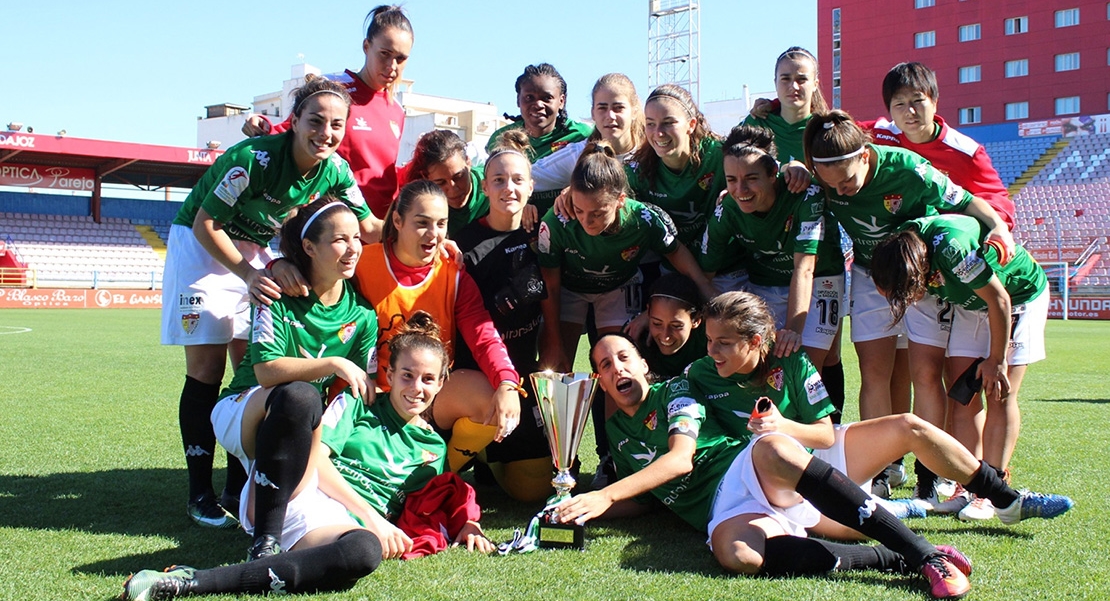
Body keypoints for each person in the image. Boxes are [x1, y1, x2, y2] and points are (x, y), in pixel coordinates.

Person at [556, 330, 974, 600]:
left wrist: (604, 492)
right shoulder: (614, 430)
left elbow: (680, 460)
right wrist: (580, 507)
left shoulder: (676, 391)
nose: (618, 369)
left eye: (625, 357)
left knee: (774, 447)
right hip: (727, 509)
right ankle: (893, 558)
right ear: (600, 380)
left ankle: (923, 555)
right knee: (739, 556)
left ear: (644, 364)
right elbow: (648, 500)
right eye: (605, 366)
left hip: (746, 469)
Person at [122, 307, 494, 600]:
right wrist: (372, 517)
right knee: (301, 399)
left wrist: (467, 525)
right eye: (407, 375)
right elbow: (315, 460)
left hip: (335, 528)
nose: (417, 388)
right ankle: (196, 582)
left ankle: (187, 580)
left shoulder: (433, 447)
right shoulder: (359, 403)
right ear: (389, 372)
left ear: (442, 382)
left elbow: (440, 499)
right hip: (296, 493)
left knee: (364, 552)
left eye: (428, 379)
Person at [161, 77, 376, 528]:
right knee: (205, 369)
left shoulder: (335, 169)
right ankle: (199, 491)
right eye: (315, 121)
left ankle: (236, 486)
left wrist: (423, 227)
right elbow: (207, 224)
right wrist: (252, 274)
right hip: (202, 248)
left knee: (252, 366)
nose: (326, 133)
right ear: (293, 121)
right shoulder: (253, 158)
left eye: (337, 125)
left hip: (256, 250)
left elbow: (369, 225)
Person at [802, 110, 1015, 504]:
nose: (843, 193)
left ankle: (929, 472)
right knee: (874, 372)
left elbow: (969, 202)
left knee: (924, 373)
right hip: (868, 274)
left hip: (921, 276)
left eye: (848, 182)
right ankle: (882, 468)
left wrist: (999, 227)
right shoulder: (824, 178)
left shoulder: (911, 169)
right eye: (834, 187)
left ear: (865, 155)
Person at [864, 62, 1018, 511]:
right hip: (914, 275)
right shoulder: (879, 135)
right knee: (924, 374)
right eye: (899, 105)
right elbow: (829, 131)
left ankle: (978, 478)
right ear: (888, 111)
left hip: (958, 269)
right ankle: (929, 476)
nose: (910, 112)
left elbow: (998, 203)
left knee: (965, 383)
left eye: (919, 101)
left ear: (935, 101)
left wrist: (997, 231)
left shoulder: (965, 151)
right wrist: (772, 109)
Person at [871, 214, 1055, 520]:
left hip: (1016, 298)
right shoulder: (901, 250)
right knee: (963, 397)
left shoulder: (954, 251)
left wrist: (996, 360)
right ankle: (970, 486)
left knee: (1000, 393)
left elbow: (1000, 300)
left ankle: (994, 488)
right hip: (973, 304)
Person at [353, 179, 522, 473]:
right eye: (422, 223)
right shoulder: (361, 264)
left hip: (427, 398)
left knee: (489, 397)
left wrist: (507, 382)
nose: (434, 234)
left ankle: (438, 474)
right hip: (371, 397)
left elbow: (483, 334)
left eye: (441, 224)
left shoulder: (452, 272)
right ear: (397, 220)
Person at [537, 142, 717, 372]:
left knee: (618, 365)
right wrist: (553, 340)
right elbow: (550, 285)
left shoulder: (643, 218)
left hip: (617, 288)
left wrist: (704, 287)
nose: (585, 221)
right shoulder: (557, 221)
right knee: (554, 367)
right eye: (579, 210)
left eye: (598, 213)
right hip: (569, 289)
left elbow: (675, 251)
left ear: (620, 200)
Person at [742, 46, 850, 430]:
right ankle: (787, 441)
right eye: (785, 78)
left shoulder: (827, 129)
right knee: (782, 357)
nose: (793, 86)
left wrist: (811, 173)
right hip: (770, 264)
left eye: (802, 78)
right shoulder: (760, 127)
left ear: (816, 82)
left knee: (826, 356)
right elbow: (735, 164)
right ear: (774, 84)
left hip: (824, 259)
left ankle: (831, 437)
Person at [701, 125, 845, 400]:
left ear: (773, 174)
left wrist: (792, 330)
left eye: (751, 178)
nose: (740, 189)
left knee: (806, 368)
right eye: (731, 179)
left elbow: (804, 269)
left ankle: (827, 433)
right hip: (765, 283)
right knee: (766, 368)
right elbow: (705, 273)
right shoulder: (728, 209)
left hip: (820, 281)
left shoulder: (805, 195)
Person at [453, 131, 554, 502]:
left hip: (524, 374)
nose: (507, 188)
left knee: (535, 490)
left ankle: (492, 460)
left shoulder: (542, 234)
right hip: (475, 376)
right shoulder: (461, 244)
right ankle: (476, 447)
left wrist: (551, 362)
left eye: (516, 180)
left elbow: (551, 302)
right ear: (484, 187)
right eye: (498, 180)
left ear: (531, 186)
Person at [243, 5, 413, 219]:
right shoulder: (333, 90)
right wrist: (260, 125)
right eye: (385, 54)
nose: (392, 66)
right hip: (330, 231)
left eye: (401, 58)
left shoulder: (397, 110)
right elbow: (289, 133)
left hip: (377, 232)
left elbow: (382, 175)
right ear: (366, 46)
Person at [485, 63, 594, 216]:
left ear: (561, 101)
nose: (537, 105)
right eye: (529, 97)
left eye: (547, 98)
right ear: (518, 100)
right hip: (516, 222)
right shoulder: (501, 138)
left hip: (567, 220)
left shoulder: (581, 135)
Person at [530, 73, 645, 194]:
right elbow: (524, 178)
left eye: (618, 108)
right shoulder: (578, 155)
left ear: (634, 111)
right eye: (602, 108)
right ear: (593, 113)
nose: (610, 116)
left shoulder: (651, 151)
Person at [401, 129, 488, 237]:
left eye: (459, 177)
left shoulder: (495, 185)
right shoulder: (417, 204)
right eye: (440, 182)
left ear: (468, 162)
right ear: (426, 178)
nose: (452, 189)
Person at [638, 272, 707, 379]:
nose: (666, 336)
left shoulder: (710, 339)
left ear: (696, 320)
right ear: (648, 314)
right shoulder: (635, 340)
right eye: (657, 323)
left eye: (676, 326)